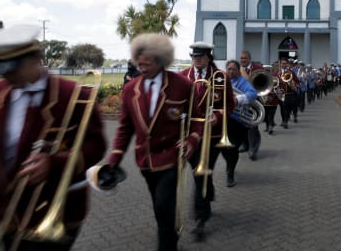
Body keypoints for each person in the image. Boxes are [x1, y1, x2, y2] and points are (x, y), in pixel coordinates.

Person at [0, 25, 107, 251]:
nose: (6, 77)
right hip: (9, 210)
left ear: (35, 59)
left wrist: (55, 162)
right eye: (2, 70)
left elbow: (96, 146)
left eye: (12, 69)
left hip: (55, 210)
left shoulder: (75, 95)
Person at [107, 33, 204, 251]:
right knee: (160, 208)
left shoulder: (182, 85)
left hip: (171, 157)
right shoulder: (130, 89)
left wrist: (191, 139)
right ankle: (170, 235)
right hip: (144, 160)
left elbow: (197, 118)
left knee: (162, 204)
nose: (142, 68)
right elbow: (124, 128)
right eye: (138, 64)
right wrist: (114, 157)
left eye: (147, 64)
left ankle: (166, 245)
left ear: (161, 61)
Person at [180, 41, 235, 241]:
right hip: (191, 136)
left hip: (212, 135)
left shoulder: (221, 77)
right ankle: (205, 203)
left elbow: (230, 104)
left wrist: (218, 118)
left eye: (201, 57)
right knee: (200, 173)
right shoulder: (183, 77)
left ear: (209, 57)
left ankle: (201, 218)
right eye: (194, 57)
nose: (197, 61)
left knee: (202, 173)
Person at [221, 60, 257, 187]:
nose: (230, 71)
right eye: (229, 69)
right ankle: (229, 165)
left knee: (233, 148)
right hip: (222, 119)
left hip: (237, 120)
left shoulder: (243, 82)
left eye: (233, 69)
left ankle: (230, 172)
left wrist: (237, 99)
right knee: (223, 148)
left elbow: (253, 94)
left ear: (238, 71)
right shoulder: (222, 80)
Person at [238, 50, 264, 160]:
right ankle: (245, 145)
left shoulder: (257, 68)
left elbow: (262, 82)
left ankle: (253, 149)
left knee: (253, 125)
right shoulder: (237, 69)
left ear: (249, 59)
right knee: (242, 125)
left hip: (255, 100)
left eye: (245, 58)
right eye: (241, 58)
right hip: (242, 101)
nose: (243, 60)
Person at [275, 57, 299, 128]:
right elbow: (274, 81)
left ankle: (285, 120)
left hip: (289, 93)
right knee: (282, 108)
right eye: (283, 63)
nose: (284, 65)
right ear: (280, 64)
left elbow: (297, 81)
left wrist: (295, 86)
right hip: (281, 94)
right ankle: (284, 120)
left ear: (287, 64)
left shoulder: (291, 72)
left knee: (288, 108)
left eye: (285, 63)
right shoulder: (277, 72)